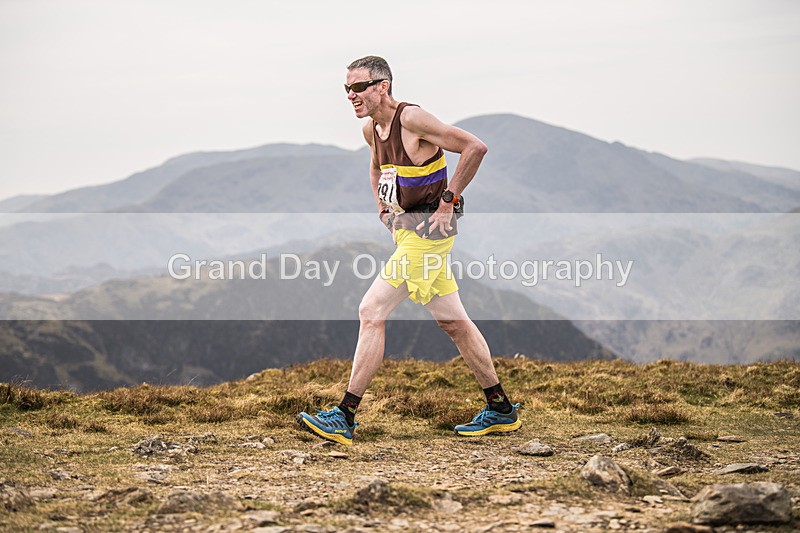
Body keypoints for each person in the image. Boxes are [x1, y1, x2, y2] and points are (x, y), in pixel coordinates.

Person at [297, 55, 520, 446]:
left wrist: (450, 199)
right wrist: (382, 206)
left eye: (358, 87)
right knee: (454, 322)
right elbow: (376, 168)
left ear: (382, 86)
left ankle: (344, 415)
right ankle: (500, 408)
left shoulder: (411, 119)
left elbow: (475, 147)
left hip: (428, 234)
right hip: (407, 233)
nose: (351, 95)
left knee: (371, 311)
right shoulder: (371, 129)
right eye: (346, 88)